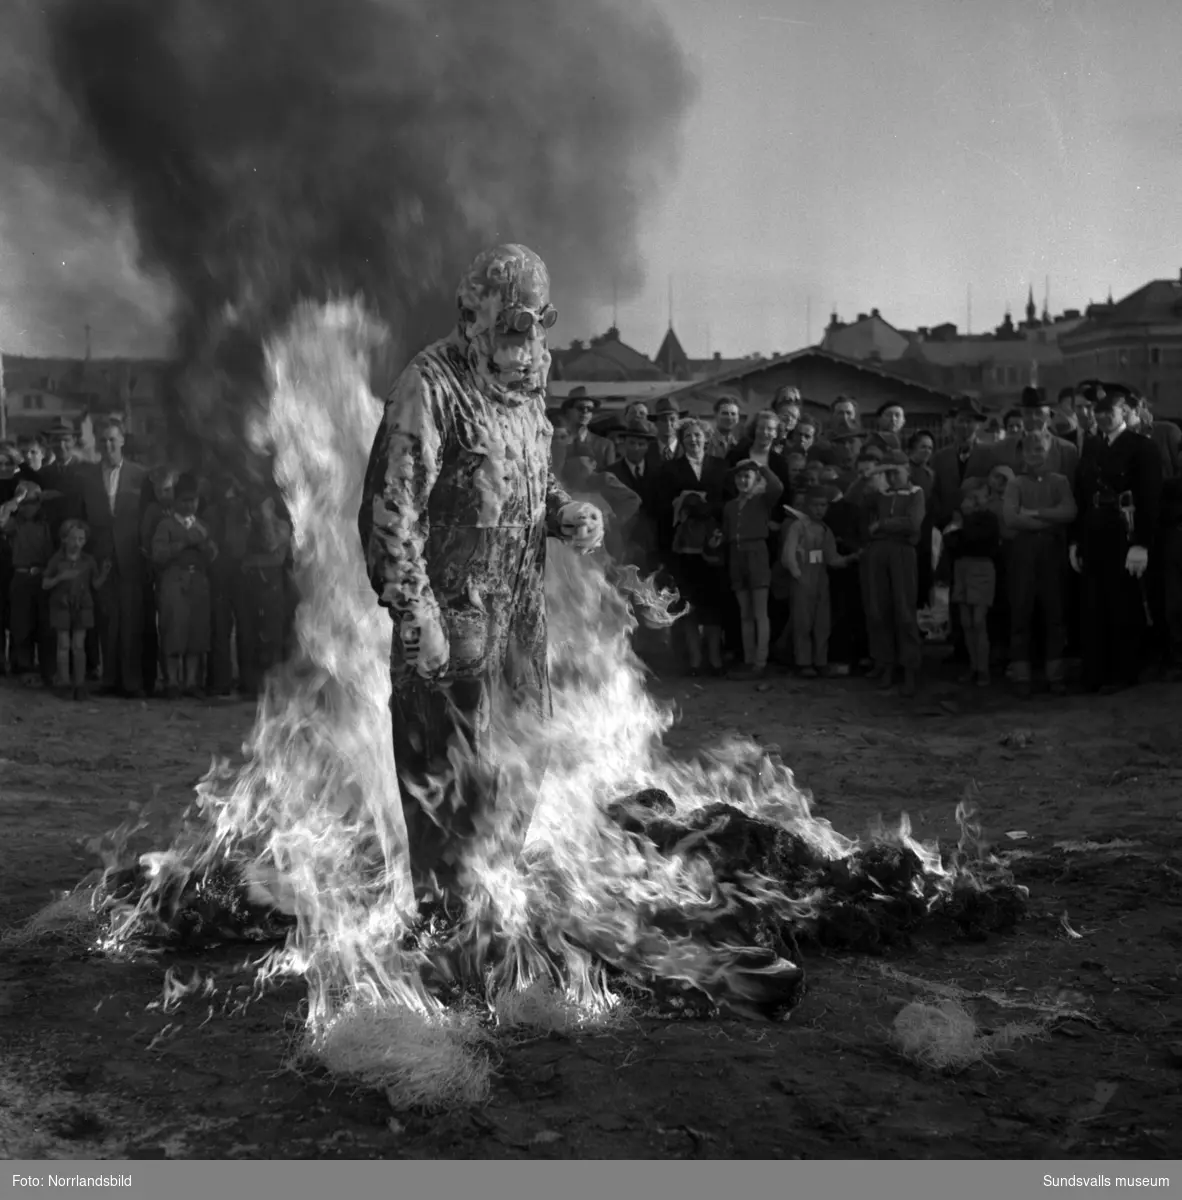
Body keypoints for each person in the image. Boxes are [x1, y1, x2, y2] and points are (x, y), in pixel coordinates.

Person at [359, 243, 603, 909]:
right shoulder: (428, 386)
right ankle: (444, 942)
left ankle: (493, 913)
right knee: (448, 784)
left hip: (520, 625)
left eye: (538, 325)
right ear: (474, 317)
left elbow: (524, 477)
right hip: (453, 628)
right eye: (513, 325)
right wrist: (417, 617)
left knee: (521, 766)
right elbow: (393, 508)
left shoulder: (523, 390)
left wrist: (564, 511)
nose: (528, 342)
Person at [1070, 383, 1162, 693]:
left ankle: (1125, 672)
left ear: (1124, 412)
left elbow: (1151, 498)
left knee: (1123, 602)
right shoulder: (1093, 447)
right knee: (1093, 603)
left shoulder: (1141, 446)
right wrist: (1076, 541)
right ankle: (1095, 671)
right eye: (1099, 413)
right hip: (1094, 529)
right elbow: (1082, 495)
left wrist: (1142, 543)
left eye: (1109, 412)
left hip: (1125, 531)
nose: (1103, 417)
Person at [1002, 429, 1077, 697]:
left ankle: (1055, 674)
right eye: (1031, 449)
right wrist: (1048, 521)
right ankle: (1021, 675)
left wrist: (1034, 513)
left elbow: (1069, 511)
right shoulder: (1016, 484)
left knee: (1055, 610)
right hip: (1023, 552)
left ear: (1050, 452)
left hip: (1052, 552)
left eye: (1041, 449)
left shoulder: (1060, 481)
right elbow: (1011, 518)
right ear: (1023, 453)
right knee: (1021, 608)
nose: (1037, 454)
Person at [78, 418, 149, 697]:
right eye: (103, 440)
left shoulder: (140, 476)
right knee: (107, 618)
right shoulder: (89, 477)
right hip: (102, 555)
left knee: (132, 618)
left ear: (122, 441)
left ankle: (132, 682)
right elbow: (84, 516)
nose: (108, 445)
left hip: (131, 555)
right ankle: (109, 679)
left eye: (113, 439)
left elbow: (147, 517)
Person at [659, 418, 728, 675]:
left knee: (713, 602)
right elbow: (662, 506)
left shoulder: (720, 467)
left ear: (706, 439)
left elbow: (726, 499)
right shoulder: (670, 469)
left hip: (712, 544)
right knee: (688, 602)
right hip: (683, 547)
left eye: (698, 435)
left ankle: (715, 658)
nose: (693, 440)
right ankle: (694, 659)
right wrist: (684, 503)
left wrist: (708, 507)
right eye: (688, 436)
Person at [862, 450, 925, 696]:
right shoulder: (880, 494)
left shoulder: (916, 493)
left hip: (902, 552)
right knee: (879, 609)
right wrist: (872, 473)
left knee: (904, 610)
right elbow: (853, 498)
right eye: (887, 472)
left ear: (907, 470)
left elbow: (913, 523)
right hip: (878, 552)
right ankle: (885, 664)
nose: (891, 477)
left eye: (895, 471)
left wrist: (882, 525)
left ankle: (910, 667)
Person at [781, 485, 859, 678]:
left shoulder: (826, 530)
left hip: (821, 580)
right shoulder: (797, 527)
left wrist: (852, 558)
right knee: (803, 623)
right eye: (815, 505)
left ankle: (820, 661)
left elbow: (832, 559)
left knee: (822, 623)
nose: (819, 509)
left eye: (823, 505)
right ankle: (803, 662)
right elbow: (787, 556)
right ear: (807, 505)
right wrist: (797, 575)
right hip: (803, 580)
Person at [721, 458, 784, 680]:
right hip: (736, 556)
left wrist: (762, 466)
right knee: (744, 613)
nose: (742, 480)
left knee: (759, 612)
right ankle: (748, 660)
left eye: (747, 476)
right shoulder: (730, 506)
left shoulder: (762, 501)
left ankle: (761, 660)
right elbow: (727, 532)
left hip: (757, 553)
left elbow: (777, 487)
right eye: (739, 476)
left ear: (756, 479)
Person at [942, 479, 1001, 687]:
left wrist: (960, 530)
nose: (972, 502)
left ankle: (983, 668)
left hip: (981, 568)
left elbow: (977, 540)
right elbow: (950, 543)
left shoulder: (989, 519)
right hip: (962, 568)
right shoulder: (959, 520)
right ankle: (973, 666)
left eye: (977, 498)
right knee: (966, 622)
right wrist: (959, 531)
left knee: (979, 621)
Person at [42, 518, 107, 700]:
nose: (76, 543)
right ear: (64, 539)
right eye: (72, 538)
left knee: (79, 646)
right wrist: (59, 578)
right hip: (61, 605)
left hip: (83, 606)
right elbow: (45, 583)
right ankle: (63, 682)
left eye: (80, 539)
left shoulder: (88, 560)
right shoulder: (57, 559)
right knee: (63, 645)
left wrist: (104, 574)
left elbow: (95, 584)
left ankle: (79, 684)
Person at [0, 481, 55, 685]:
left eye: (33, 502)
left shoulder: (46, 524)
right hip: (21, 576)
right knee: (21, 624)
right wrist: (16, 500)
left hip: (42, 576)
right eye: (26, 502)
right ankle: (22, 666)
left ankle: (48, 670)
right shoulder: (15, 524)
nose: (29, 507)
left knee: (45, 625)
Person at [606, 417, 661, 573]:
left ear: (647, 447)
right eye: (632, 443)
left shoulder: (659, 471)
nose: (636, 448)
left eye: (641, 444)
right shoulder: (611, 473)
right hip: (622, 540)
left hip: (652, 542)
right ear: (624, 444)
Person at [555, 388, 616, 473]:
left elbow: (610, 479)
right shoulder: (556, 443)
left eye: (590, 409)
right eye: (581, 408)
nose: (585, 412)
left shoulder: (605, 445)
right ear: (567, 411)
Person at [706, 394, 744, 459]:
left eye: (733, 414)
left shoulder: (739, 446)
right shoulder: (705, 443)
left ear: (738, 418)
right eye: (725, 413)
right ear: (715, 415)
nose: (729, 418)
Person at [649, 397, 684, 466]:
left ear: (678, 422)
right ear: (656, 423)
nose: (668, 424)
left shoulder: (687, 450)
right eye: (663, 419)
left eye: (672, 419)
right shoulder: (647, 451)